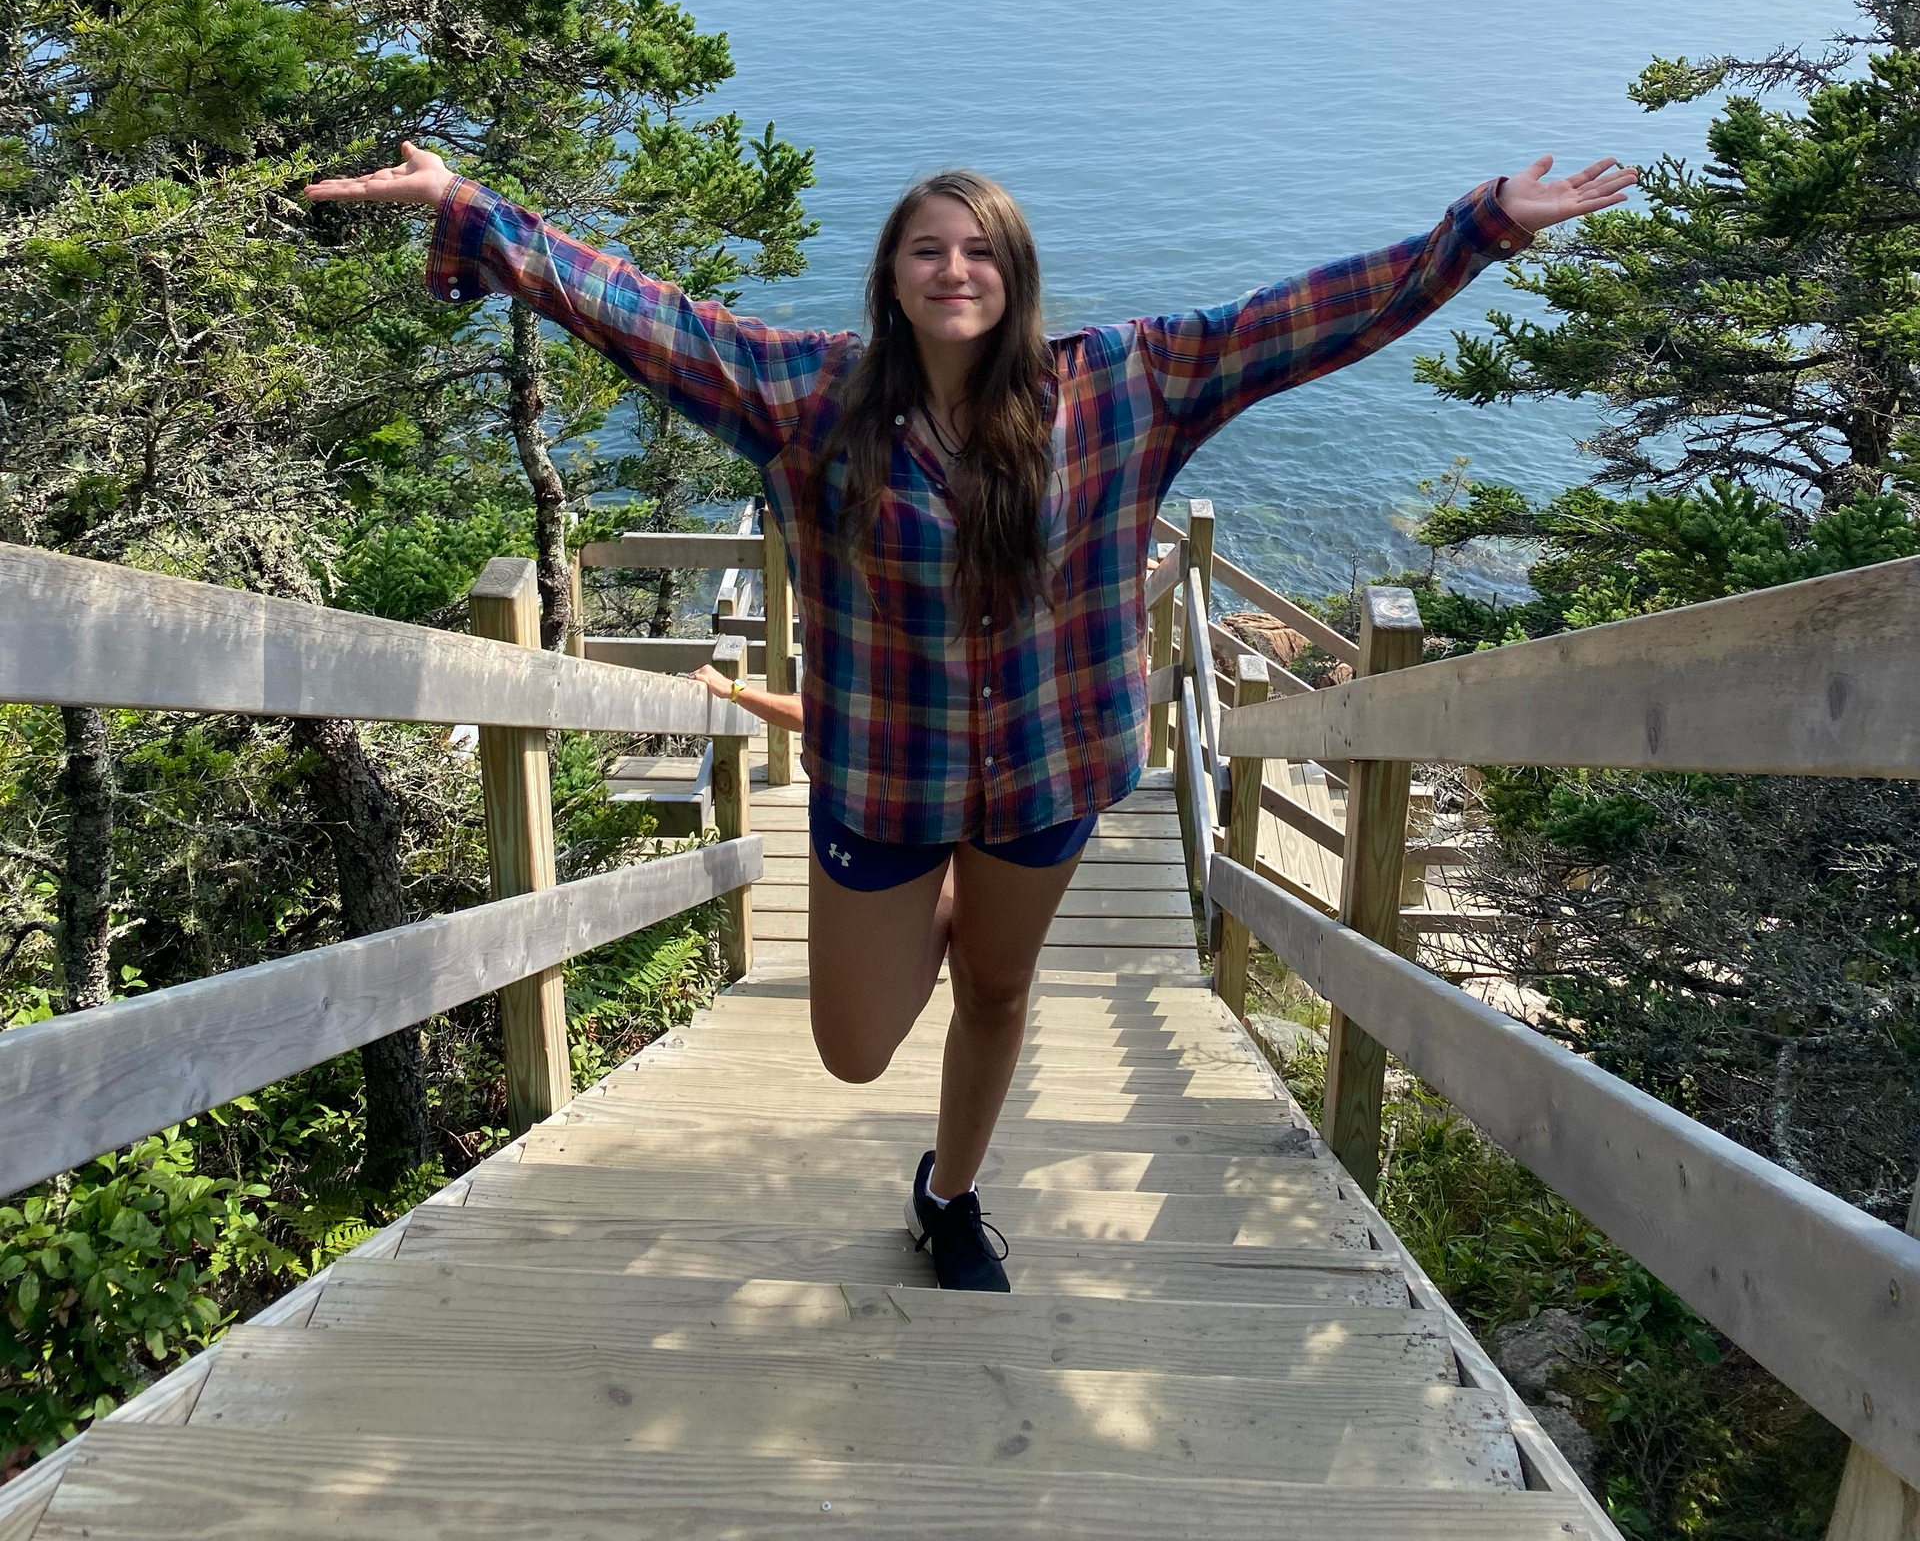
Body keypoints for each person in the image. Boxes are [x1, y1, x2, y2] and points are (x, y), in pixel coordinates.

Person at [305, 144, 1635, 1289]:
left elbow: (1298, 323)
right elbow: (646, 318)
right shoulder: (810, 399)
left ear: (1016, 274)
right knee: (851, 1045)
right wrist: (477, 212)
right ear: (892, 275)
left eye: (980, 251)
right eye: (927, 251)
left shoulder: (1122, 384)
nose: (955, 271)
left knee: (999, 989)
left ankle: (950, 1194)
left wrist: (1483, 229)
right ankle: (931, 919)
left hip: (1048, 774)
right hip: (888, 783)